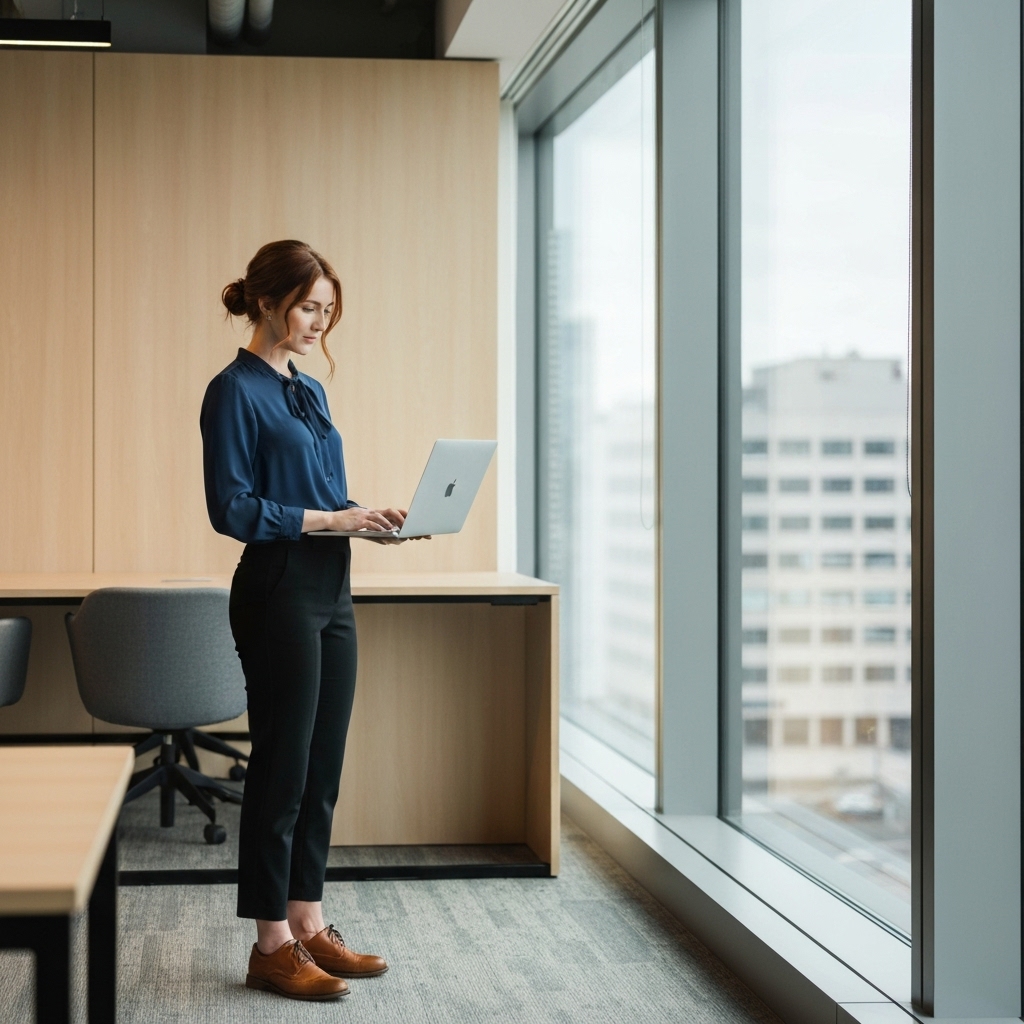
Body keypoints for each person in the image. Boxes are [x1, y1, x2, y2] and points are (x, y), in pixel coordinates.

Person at [201, 240, 414, 1001]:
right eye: (308, 308)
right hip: (278, 586)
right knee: (282, 766)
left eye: (328, 311)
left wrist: (368, 520)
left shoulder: (310, 391)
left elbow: (324, 495)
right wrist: (331, 520)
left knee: (322, 765)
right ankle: (270, 944)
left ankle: (308, 921)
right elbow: (231, 508)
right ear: (267, 303)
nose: (320, 322)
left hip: (332, 585)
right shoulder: (233, 391)